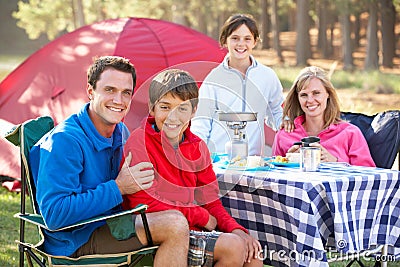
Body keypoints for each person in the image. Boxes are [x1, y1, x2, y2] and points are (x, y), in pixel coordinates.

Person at [29, 56, 189, 266]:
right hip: (76, 239)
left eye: (126, 93)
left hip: (113, 221)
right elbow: (55, 214)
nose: (119, 101)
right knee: (174, 224)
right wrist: (118, 187)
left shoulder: (120, 132)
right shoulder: (65, 141)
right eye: (110, 90)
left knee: (185, 216)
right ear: (90, 91)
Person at [122, 69, 263, 267]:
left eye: (182, 108)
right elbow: (145, 203)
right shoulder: (139, 142)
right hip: (154, 230)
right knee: (233, 248)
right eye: (165, 106)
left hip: (192, 228)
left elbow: (211, 201)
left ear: (194, 111)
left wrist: (235, 229)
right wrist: (201, 216)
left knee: (253, 256)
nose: (173, 116)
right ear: (152, 109)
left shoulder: (197, 146)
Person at [191, 13, 285, 157]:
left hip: (253, 162)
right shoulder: (213, 79)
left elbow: (277, 113)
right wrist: (198, 156)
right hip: (218, 161)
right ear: (225, 41)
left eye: (247, 39)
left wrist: (288, 126)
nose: (241, 44)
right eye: (235, 38)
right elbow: (201, 122)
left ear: (255, 42)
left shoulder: (267, 76)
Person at [272, 66, 376, 167]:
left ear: (328, 94)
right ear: (297, 99)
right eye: (304, 95)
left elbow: (371, 178)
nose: (310, 100)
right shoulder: (284, 136)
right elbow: (272, 178)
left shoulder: (350, 133)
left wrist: (335, 162)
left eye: (316, 93)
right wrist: (289, 162)